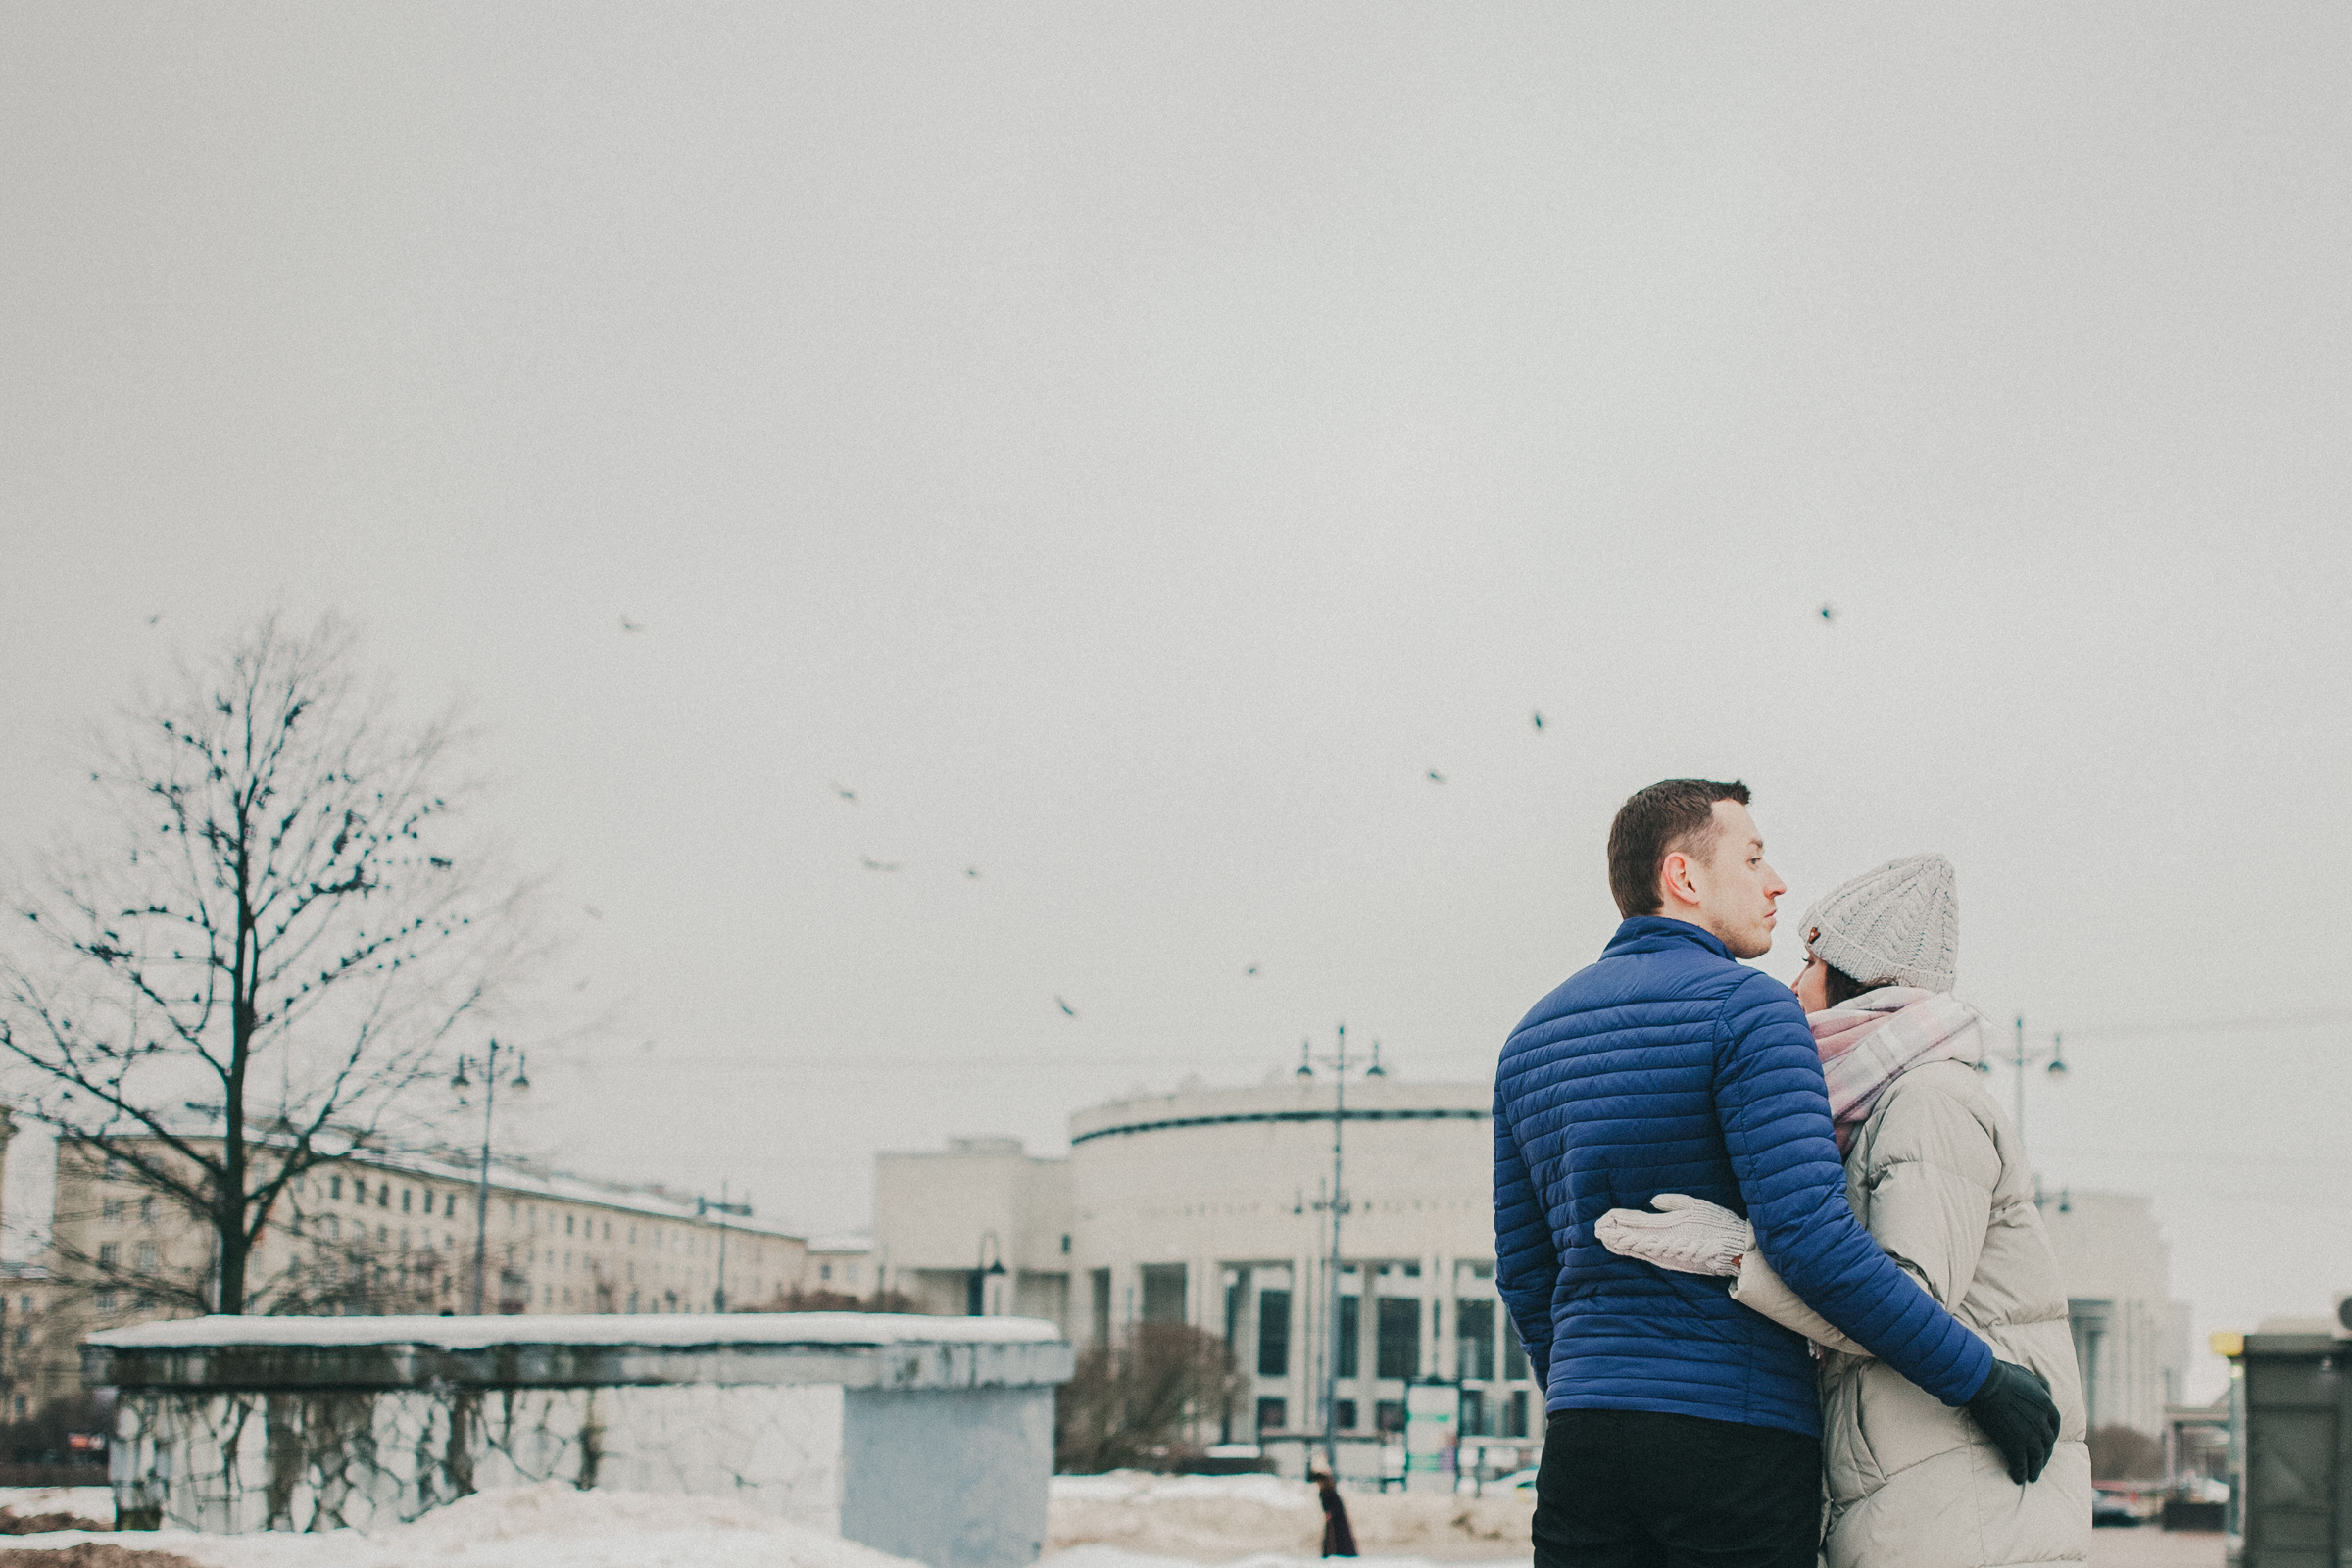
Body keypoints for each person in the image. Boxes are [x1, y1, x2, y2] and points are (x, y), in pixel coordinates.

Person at [1494, 780, 2060, 1568]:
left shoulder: (1528, 1040)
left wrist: (1591, 1390)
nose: (1776, 883)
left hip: (1585, 1441)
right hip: (1735, 1436)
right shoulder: (1751, 1012)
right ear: (1683, 877)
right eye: (1754, 858)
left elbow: (1525, 1274)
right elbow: (1809, 1241)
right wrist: (1980, 1380)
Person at [1312, 1469, 1358, 1558]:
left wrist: (1330, 1513)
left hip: (1337, 1519)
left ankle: (1339, 1552)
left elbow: (1336, 1506)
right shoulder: (1325, 1492)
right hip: (1333, 1518)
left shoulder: (1330, 1493)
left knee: (1339, 1536)